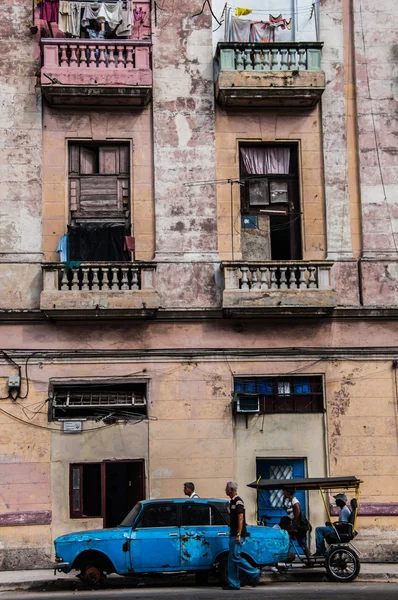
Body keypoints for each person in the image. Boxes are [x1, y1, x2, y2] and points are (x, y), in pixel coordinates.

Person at [224, 481, 261, 590]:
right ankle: (234, 583)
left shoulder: (238, 502)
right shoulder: (232, 502)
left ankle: (254, 572)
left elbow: (241, 518)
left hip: (237, 534)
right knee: (231, 560)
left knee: (235, 557)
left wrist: (239, 535)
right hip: (233, 534)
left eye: (226, 488)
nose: (225, 490)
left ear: (231, 490)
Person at [282, 487, 312, 566]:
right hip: (294, 525)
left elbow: (298, 514)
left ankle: (310, 561)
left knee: (302, 543)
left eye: (284, 491)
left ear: (289, 492)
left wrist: (294, 527)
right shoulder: (290, 501)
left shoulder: (295, 501)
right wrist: (283, 500)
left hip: (298, 526)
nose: (283, 493)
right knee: (293, 540)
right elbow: (287, 511)